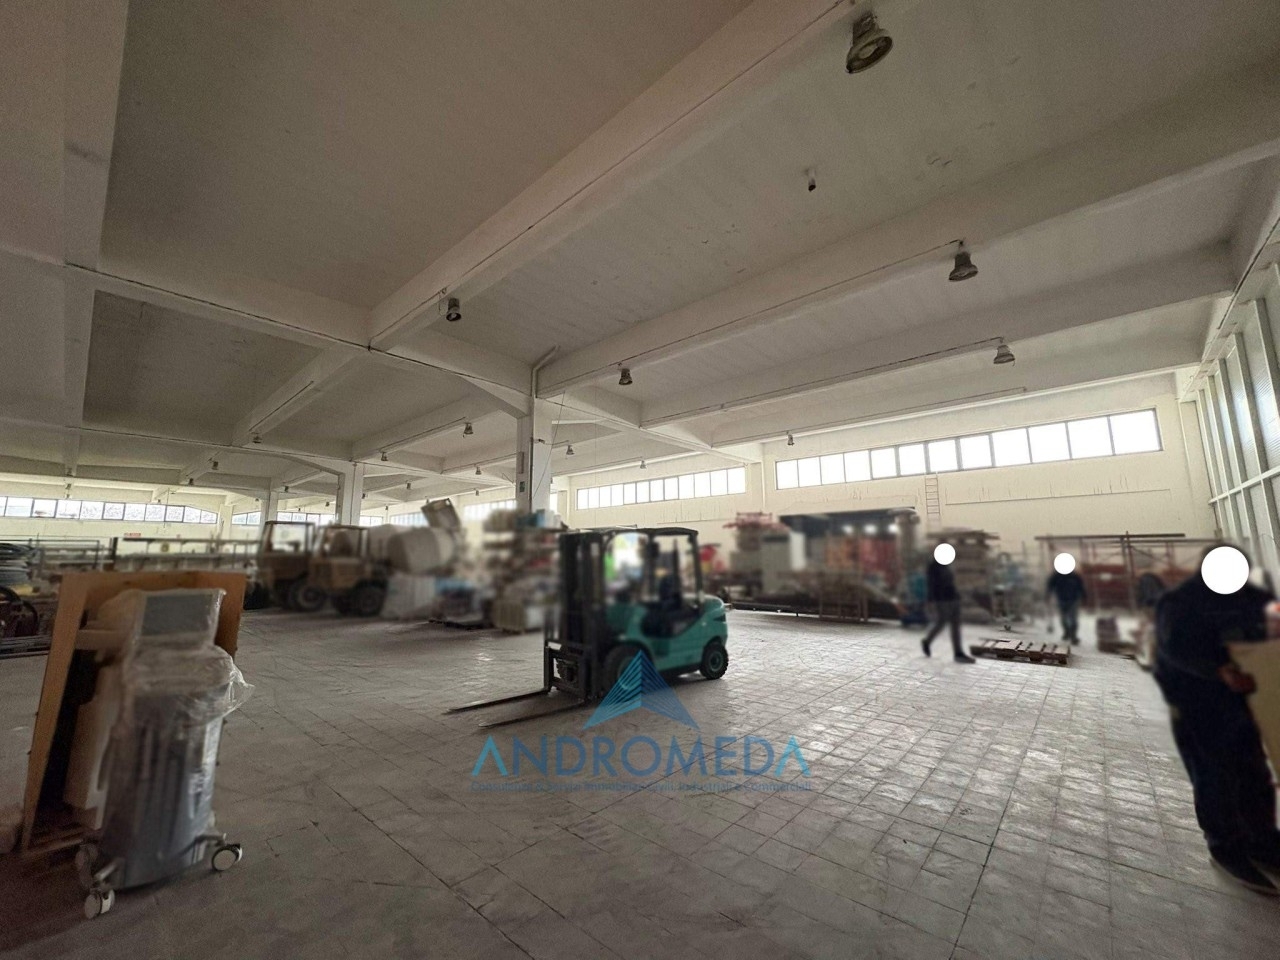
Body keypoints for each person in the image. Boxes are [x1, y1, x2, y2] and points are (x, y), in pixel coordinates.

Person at [1153, 548, 1280, 895]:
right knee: (1214, 776)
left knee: (1253, 771)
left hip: (1243, 702)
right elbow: (1174, 650)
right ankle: (1225, 846)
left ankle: (1262, 840)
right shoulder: (1180, 603)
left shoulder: (1252, 598)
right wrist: (1217, 670)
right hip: (1196, 704)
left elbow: (1269, 629)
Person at [922, 548, 975, 663]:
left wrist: (957, 595)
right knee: (941, 623)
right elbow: (931, 584)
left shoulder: (946, 566)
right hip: (942, 600)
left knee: (956, 626)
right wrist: (930, 600)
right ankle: (927, 641)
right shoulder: (933, 567)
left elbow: (950, 582)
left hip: (953, 598)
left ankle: (958, 653)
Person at [1046, 561, 1088, 643]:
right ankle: (1067, 632)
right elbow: (1050, 586)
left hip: (1073, 600)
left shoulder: (1075, 576)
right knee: (1064, 618)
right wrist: (1048, 595)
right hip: (1061, 599)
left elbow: (1081, 587)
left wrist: (1084, 597)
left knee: (1073, 618)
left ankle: (1073, 636)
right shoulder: (1056, 576)